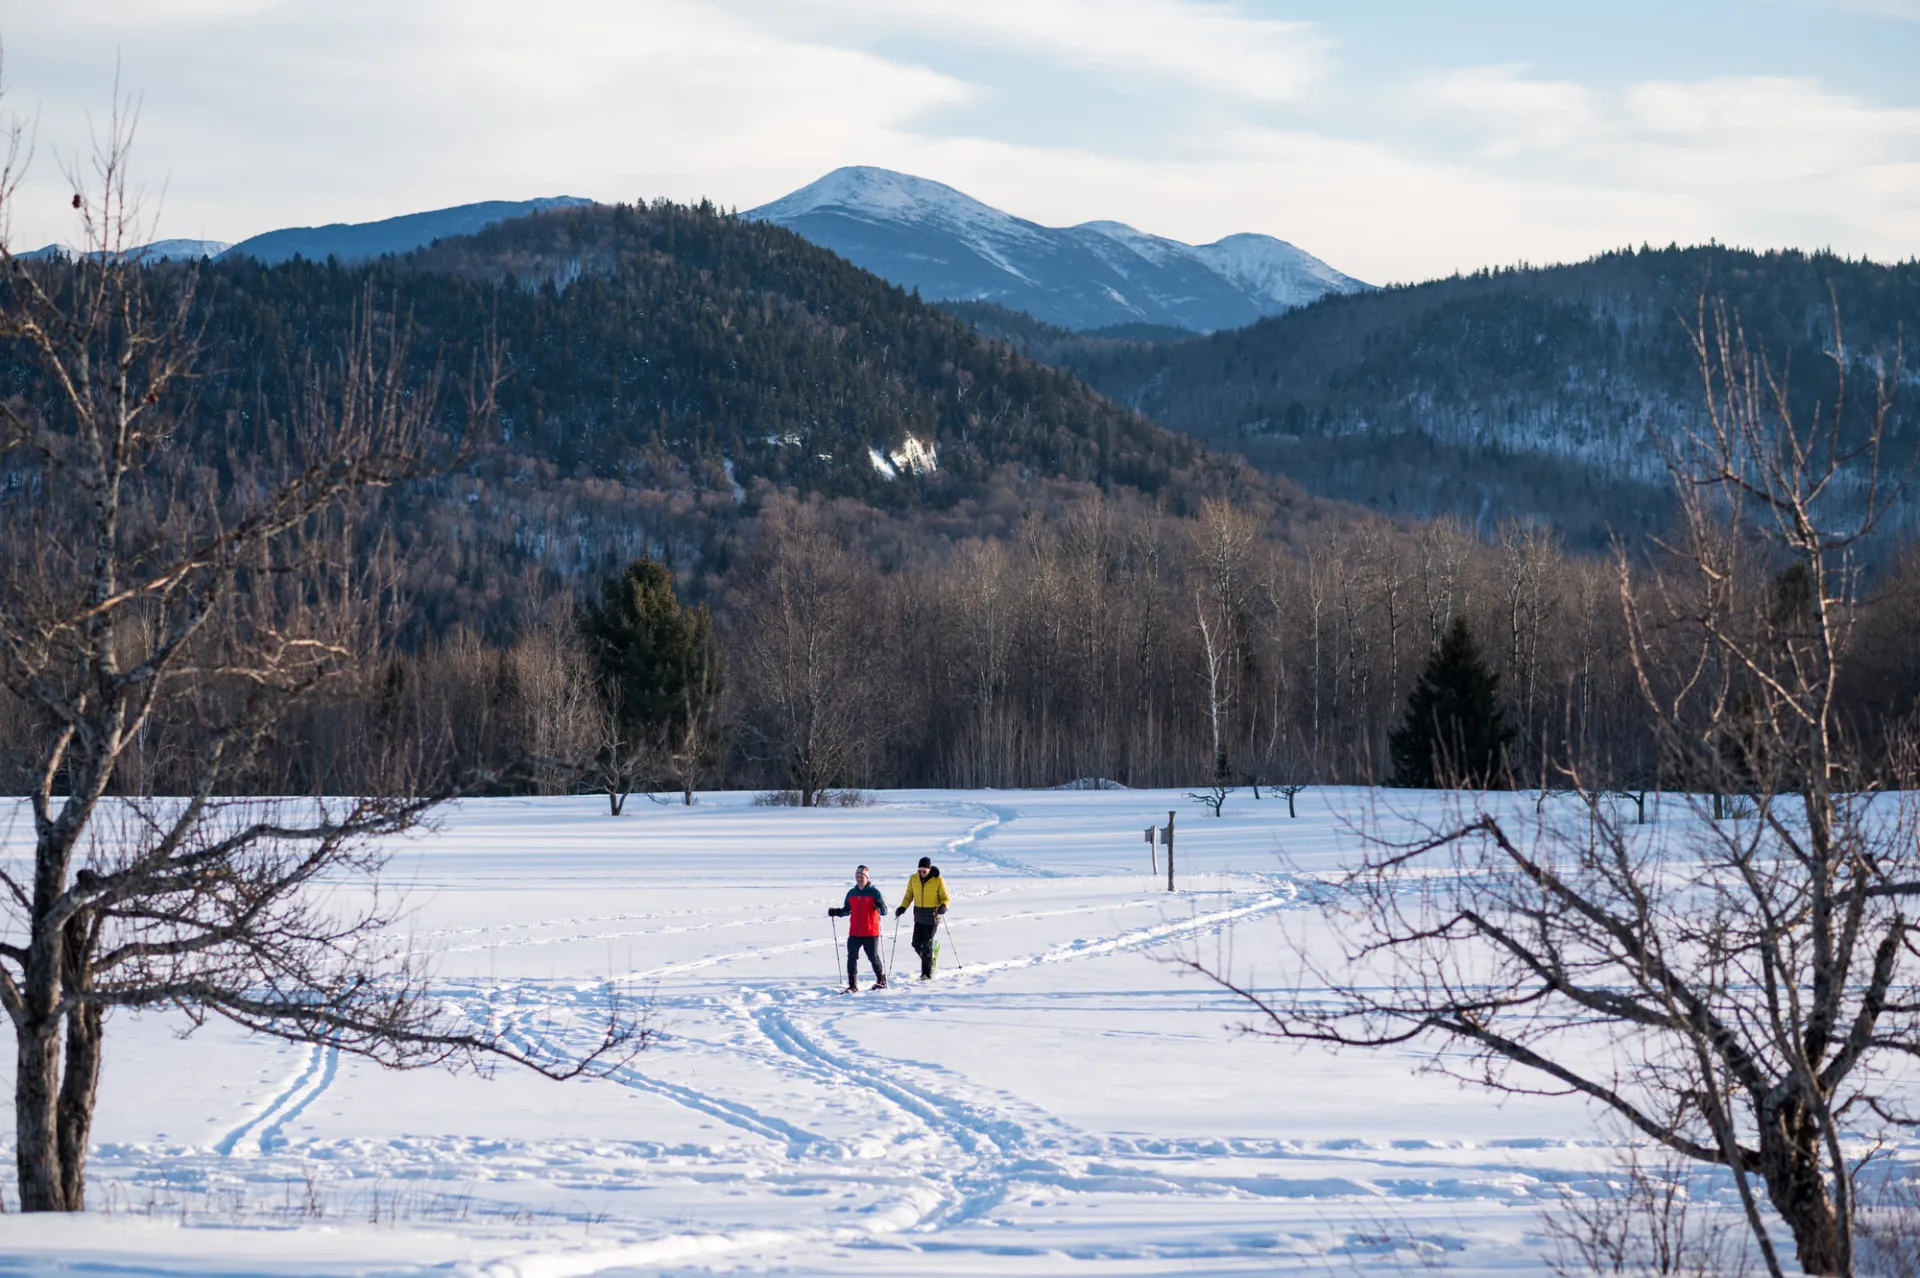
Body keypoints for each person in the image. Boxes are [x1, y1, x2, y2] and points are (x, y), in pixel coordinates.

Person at [828, 865, 887, 991]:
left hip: (871, 932)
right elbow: (847, 910)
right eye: (857, 877)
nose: (859, 879)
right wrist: (836, 912)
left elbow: (884, 911)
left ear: (867, 878)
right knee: (852, 957)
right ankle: (852, 985)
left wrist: (880, 905)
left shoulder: (875, 893)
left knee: (873, 957)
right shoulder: (852, 893)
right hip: (855, 932)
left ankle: (881, 980)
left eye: (862, 877)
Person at [895, 855, 949, 980]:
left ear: (929, 870)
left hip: (932, 917)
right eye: (920, 871)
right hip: (918, 916)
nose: (922, 873)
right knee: (915, 944)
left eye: (924, 871)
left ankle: (926, 974)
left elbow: (946, 898)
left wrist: (944, 906)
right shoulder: (914, 879)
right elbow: (909, 896)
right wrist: (902, 907)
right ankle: (930, 959)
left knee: (926, 945)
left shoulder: (938, 880)